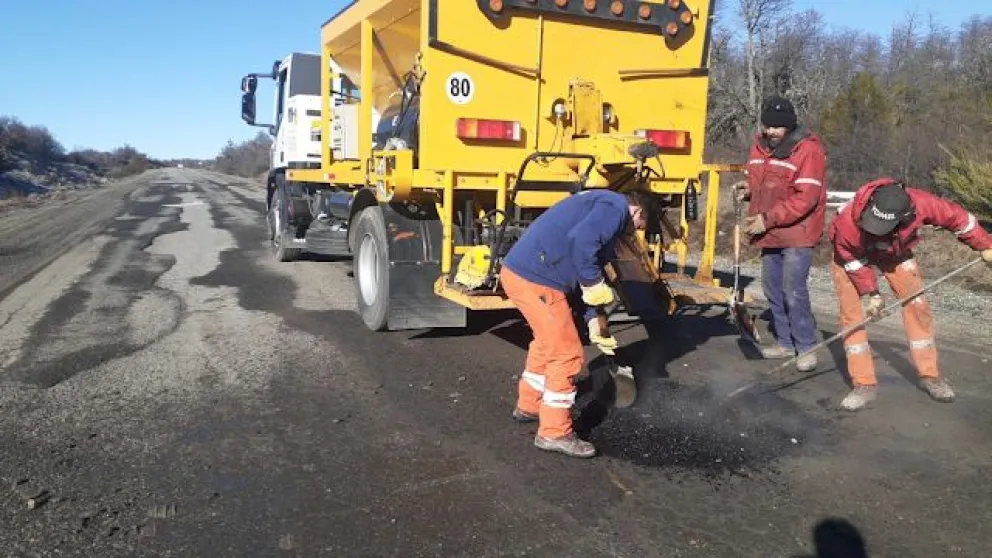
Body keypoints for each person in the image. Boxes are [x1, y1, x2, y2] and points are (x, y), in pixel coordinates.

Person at [499, 188, 655, 458]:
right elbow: (582, 244)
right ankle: (554, 432)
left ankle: (530, 405)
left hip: (524, 273)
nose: (635, 232)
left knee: (547, 342)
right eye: (640, 225)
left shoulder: (599, 209)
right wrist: (593, 284)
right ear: (638, 211)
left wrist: (593, 318)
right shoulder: (616, 206)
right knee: (566, 352)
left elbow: (584, 272)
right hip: (537, 278)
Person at [828, 178, 992, 411]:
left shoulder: (921, 204)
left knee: (917, 305)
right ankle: (863, 384)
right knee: (852, 315)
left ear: (904, 217)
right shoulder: (849, 219)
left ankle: (930, 376)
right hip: (850, 257)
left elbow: (962, 220)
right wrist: (872, 293)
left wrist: (986, 245)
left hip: (894, 252)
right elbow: (850, 258)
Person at [735, 94, 827, 372]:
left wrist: (768, 219)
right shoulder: (760, 146)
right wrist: (748, 190)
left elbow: (806, 198)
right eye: (768, 126)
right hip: (770, 231)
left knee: (793, 290)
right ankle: (786, 343)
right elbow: (760, 181)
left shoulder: (808, 151)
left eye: (777, 127)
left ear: (789, 125)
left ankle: (806, 347)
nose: (772, 131)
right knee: (772, 288)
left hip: (797, 232)